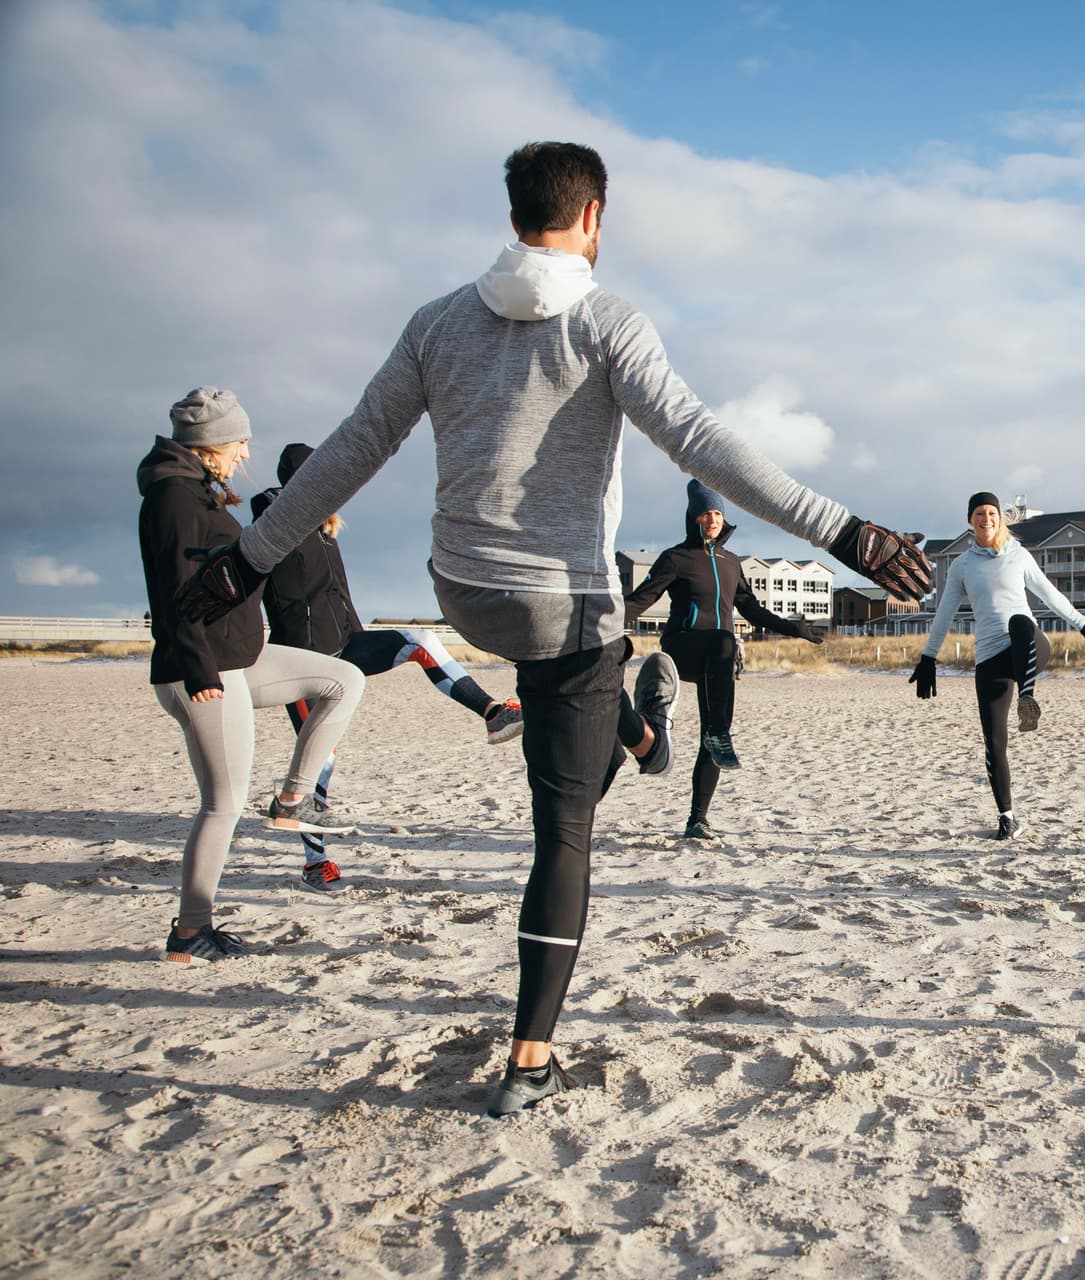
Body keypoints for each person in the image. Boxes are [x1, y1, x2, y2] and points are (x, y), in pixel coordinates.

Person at [176, 143, 930, 1116]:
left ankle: (629, 720)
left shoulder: (436, 322)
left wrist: (248, 554)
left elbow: (355, 447)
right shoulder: (609, 322)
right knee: (563, 828)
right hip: (564, 602)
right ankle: (529, 1058)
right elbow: (704, 443)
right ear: (593, 219)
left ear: (515, 213)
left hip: (465, 592)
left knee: (570, 689)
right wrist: (844, 530)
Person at [138, 388, 366, 961]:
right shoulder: (173, 498)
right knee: (223, 804)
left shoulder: (199, 492)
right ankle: (192, 930)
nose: (244, 453)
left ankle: (293, 799)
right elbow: (172, 595)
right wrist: (197, 670)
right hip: (206, 670)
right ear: (213, 443)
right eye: (240, 442)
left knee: (343, 680)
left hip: (238, 657)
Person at [252, 443, 525, 893]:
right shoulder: (274, 520)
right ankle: (315, 864)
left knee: (421, 641)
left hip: (346, 645)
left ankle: (492, 712)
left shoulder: (324, 530)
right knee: (319, 762)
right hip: (300, 663)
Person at [619, 479, 826, 841]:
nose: (713, 519)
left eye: (717, 513)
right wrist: (598, 620)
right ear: (692, 517)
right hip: (682, 647)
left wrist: (793, 629)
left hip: (718, 657)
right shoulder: (676, 558)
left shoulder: (732, 563)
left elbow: (752, 610)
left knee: (712, 732)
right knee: (724, 644)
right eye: (706, 512)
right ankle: (720, 732)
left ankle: (697, 820)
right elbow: (641, 600)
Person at [913, 493, 1085, 839]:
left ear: (1000, 518)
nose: (985, 518)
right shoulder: (961, 566)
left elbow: (1050, 594)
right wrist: (929, 656)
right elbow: (944, 614)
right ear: (970, 520)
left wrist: (1083, 624)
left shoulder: (1019, 556)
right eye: (979, 513)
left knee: (1019, 621)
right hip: (991, 659)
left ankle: (1028, 697)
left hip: (1030, 647)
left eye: (991, 513)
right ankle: (1007, 818)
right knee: (994, 742)